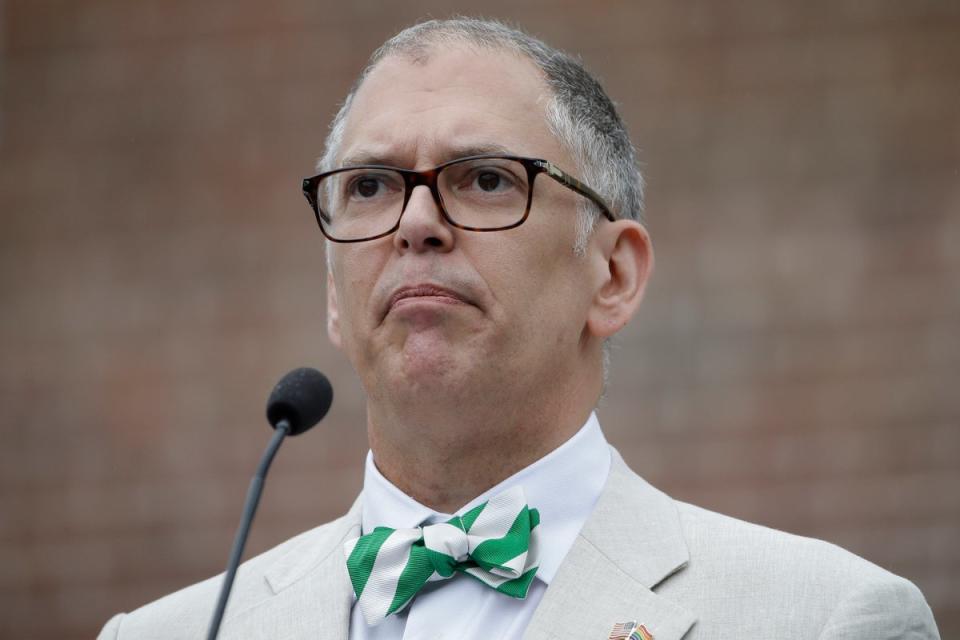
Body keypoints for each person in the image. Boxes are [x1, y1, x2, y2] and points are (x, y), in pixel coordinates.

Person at [98, 18, 940, 640]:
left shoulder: (826, 617)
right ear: (332, 292)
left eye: (487, 179)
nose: (415, 222)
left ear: (612, 276)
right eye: (369, 187)